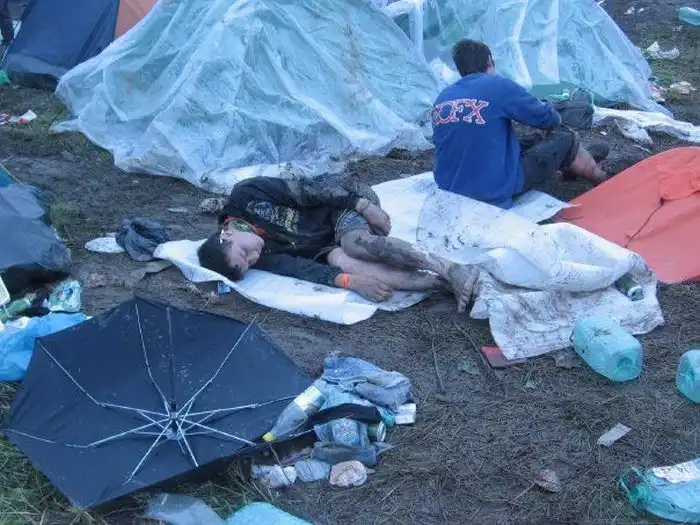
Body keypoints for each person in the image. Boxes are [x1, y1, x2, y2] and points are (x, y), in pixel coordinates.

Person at [197, 175, 480, 312]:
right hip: (328, 244)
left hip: (341, 204)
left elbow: (310, 189)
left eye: (244, 252)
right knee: (350, 265)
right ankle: (444, 284)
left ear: (226, 233)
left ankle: (449, 268)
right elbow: (301, 269)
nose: (254, 256)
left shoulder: (246, 195)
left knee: (355, 244)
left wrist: (362, 204)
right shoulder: (261, 256)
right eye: (249, 264)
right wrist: (351, 282)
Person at [432, 39, 607, 209]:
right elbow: (548, 118)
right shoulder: (496, 86)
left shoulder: (443, 97)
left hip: (451, 190)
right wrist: (550, 109)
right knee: (566, 138)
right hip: (492, 192)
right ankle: (600, 176)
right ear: (489, 62)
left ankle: (572, 162)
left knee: (533, 138)